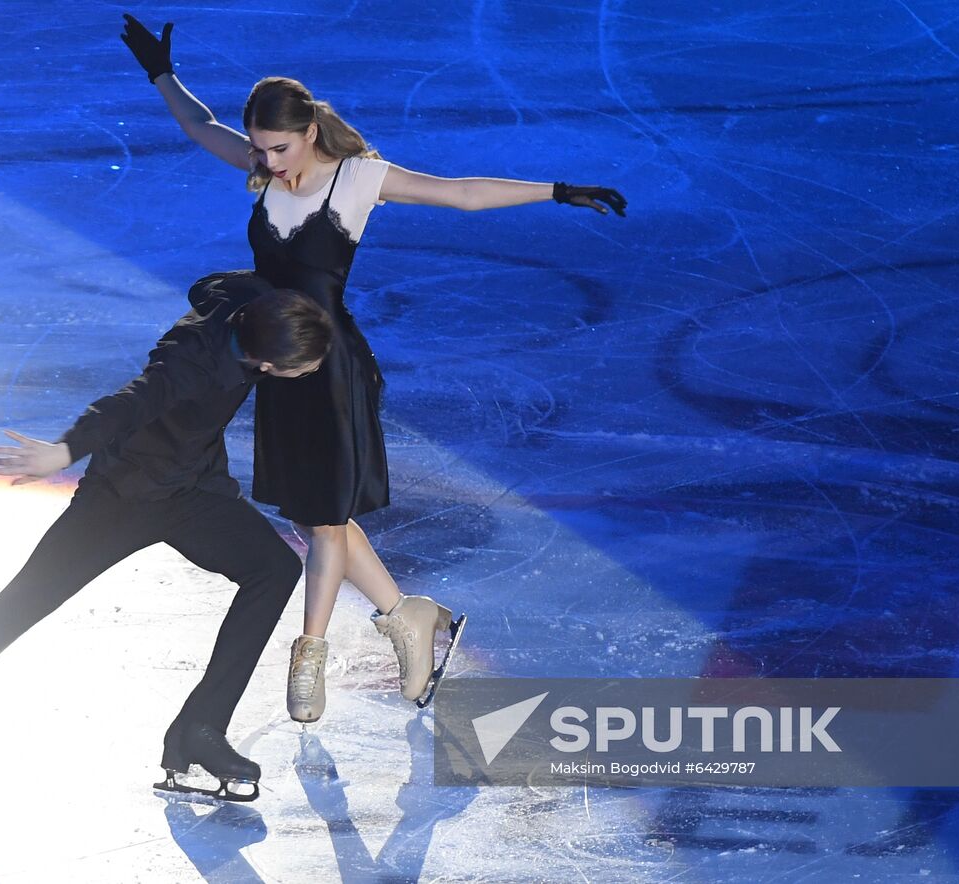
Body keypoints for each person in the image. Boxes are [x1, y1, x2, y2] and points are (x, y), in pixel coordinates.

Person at [120, 15, 626, 723]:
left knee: (323, 526)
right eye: (260, 150)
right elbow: (201, 128)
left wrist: (559, 189)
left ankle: (309, 656)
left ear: (311, 134)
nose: (266, 163)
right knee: (313, 514)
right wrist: (161, 73)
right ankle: (414, 619)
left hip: (331, 372)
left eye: (279, 148)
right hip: (279, 366)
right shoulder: (266, 172)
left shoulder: (358, 180)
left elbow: (461, 193)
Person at [0, 271, 332, 802]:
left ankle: (200, 731)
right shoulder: (189, 363)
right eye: (305, 367)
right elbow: (128, 402)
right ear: (267, 365)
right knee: (11, 612)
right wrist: (64, 451)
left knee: (273, 569)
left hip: (194, 493)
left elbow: (208, 284)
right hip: (119, 501)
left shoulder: (245, 299)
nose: (312, 371)